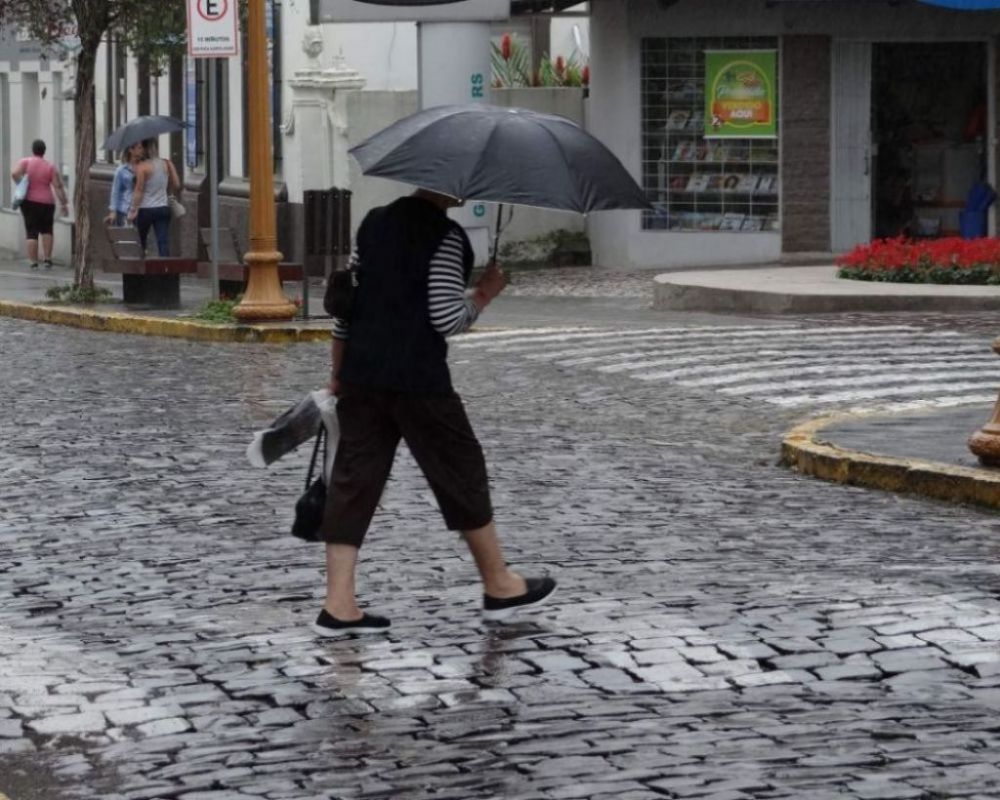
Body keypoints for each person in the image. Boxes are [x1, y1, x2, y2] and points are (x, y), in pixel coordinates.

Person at [315, 189, 557, 637]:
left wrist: (338, 373)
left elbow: (347, 305)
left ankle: (339, 605)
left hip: (361, 375)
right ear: (448, 188)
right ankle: (500, 584)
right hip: (418, 381)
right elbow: (446, 318)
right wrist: (483, 294)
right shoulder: (446, 238)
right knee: (461, 470)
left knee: (354, 481)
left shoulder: (372, 222)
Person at [10, 139, 69, 270]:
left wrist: (22, 183)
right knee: (47, 229)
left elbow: (14, 173)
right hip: (47, 202)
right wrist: (64, 203)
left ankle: (33, 262)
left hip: (29, 201)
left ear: (33, 150)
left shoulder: (25, 162)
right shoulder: (50, 166)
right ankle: (47, 259)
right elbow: (58, 186)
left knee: (31, 231)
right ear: (44, 151)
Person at [127, 138, 180, 256]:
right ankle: (165, 270)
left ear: (145, 149)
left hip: (145, 209)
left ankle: (140, 268)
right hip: (162, 207)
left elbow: (139, 189)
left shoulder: (143, 167)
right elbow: (176, 183)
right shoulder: (167, 163)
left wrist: (133, 209)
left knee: (141, 241)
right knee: (163, 241)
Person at [105, 142, 144, 227]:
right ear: (131, 150)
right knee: (126, 238)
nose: (142, 150)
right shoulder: (121, 170)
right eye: (139, 148)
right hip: (125, 209)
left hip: (141, 210)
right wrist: (113, 211)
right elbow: (115, 191)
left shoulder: (144, 168)